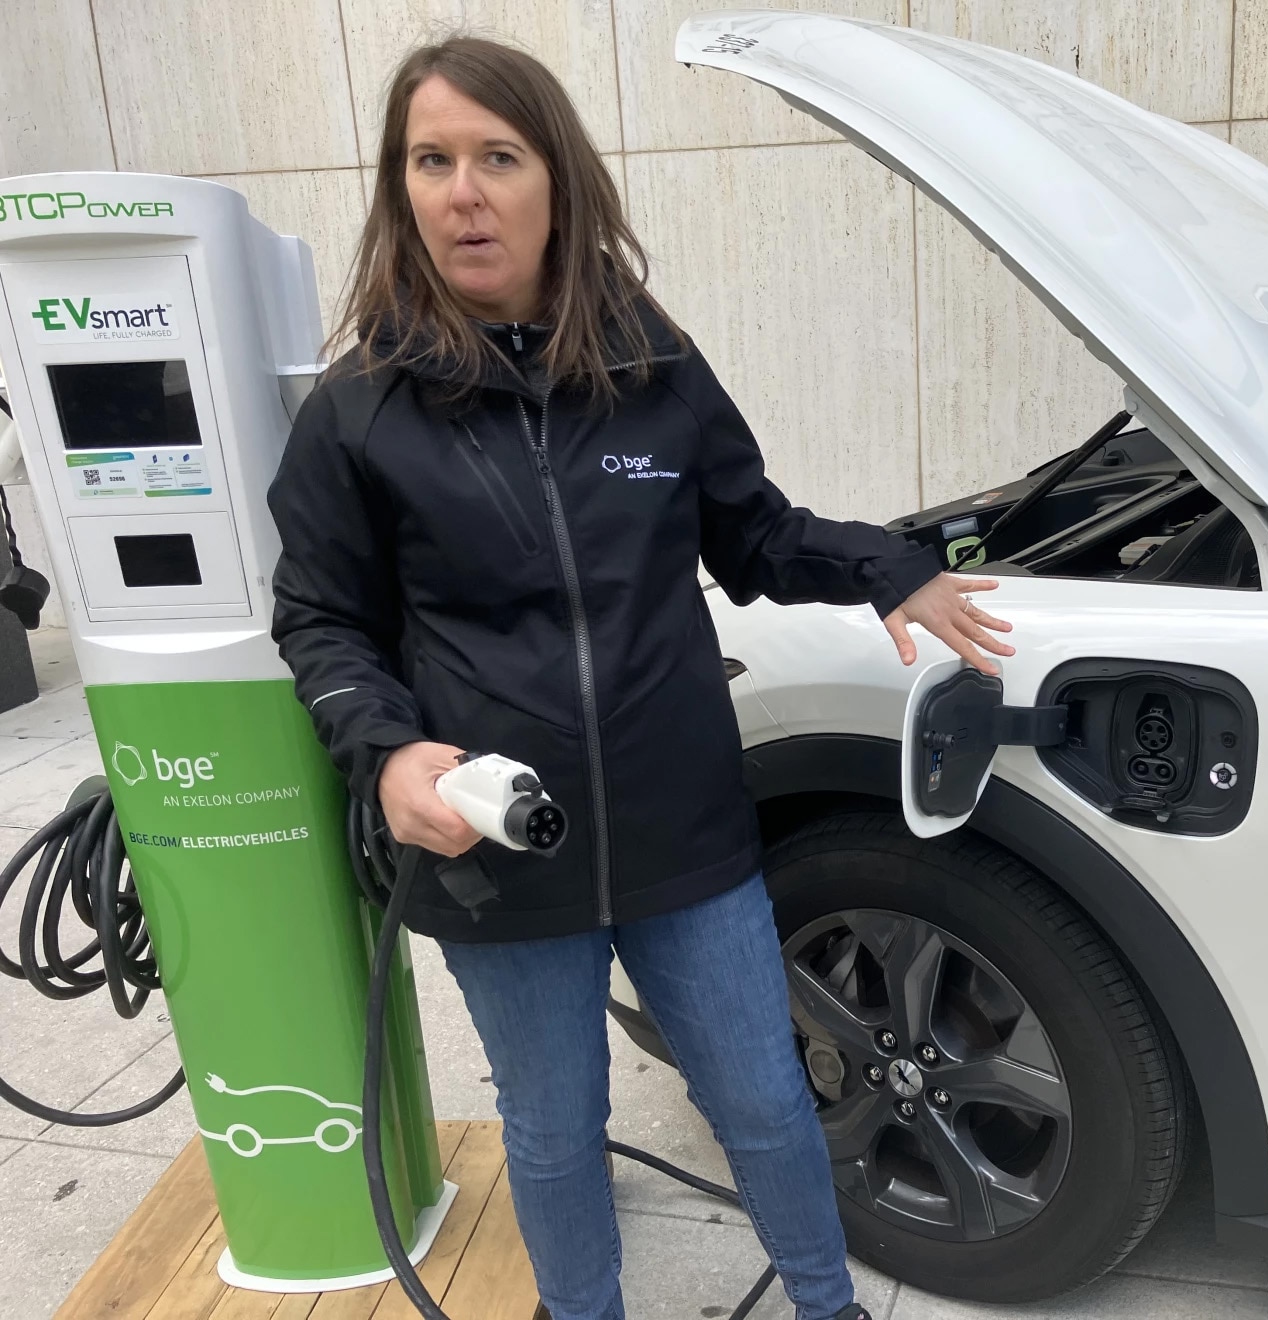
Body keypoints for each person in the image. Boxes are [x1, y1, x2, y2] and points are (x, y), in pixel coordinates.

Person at [266, 35, 1013, 1320]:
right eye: (430, 161)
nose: (464, 191)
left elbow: (755, 532)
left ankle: (826, 1308)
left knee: (766, 1101)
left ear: (557, 181)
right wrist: (385, 749)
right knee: (552, 1132)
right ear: (400, 191)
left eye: (497, 156)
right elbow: (320, 619)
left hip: (683, 829)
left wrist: (882, 564)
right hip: (497, 848)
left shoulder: (651, 369)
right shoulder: (357, 413)